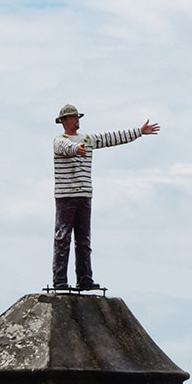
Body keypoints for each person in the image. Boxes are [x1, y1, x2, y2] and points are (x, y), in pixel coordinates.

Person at [52, 103, 160, 290]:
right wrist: (77, 149)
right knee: (63, 238)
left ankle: (85, 279)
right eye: (74, 117)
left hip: (85, 195)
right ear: (65, 121)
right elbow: (65, 147)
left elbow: (111, 138)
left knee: (84, 240)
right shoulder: (59, 140)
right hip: (66, 196)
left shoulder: (87, 139)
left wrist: (139, 132)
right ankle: (60, 280)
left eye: (78, 117)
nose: (77, 120)